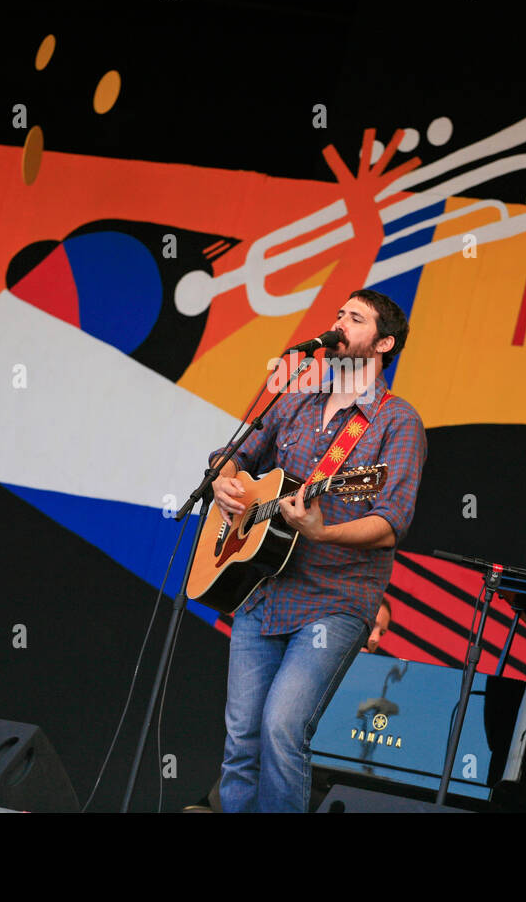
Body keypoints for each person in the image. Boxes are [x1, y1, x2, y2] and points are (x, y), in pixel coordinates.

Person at [210, 288, 427, 812]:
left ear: (383, 343)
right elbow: (235, 453)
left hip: (336, 598)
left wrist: (322, 531)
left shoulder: (397, 421)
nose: (339, 324)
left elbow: (392, 522)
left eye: (355, 318)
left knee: (282, 727)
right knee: (241, 741)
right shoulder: (296, 398)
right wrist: (225, 479)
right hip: (262, 590)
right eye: (338, 314)